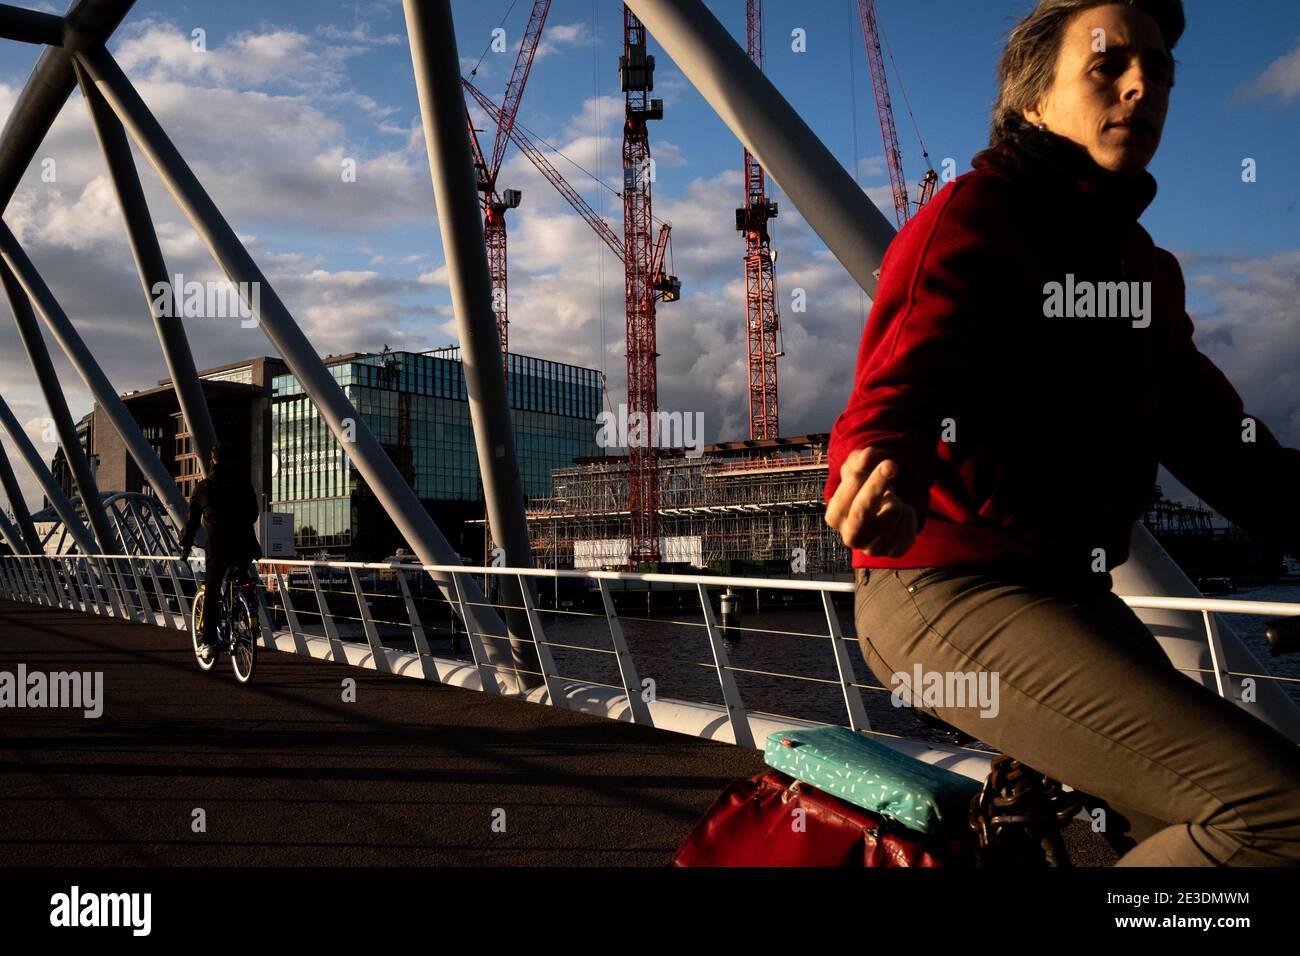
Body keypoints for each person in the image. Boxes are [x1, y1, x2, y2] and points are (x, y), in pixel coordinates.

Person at [825, 0, 1300, 865]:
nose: (1140, 86)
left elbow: (1224, 447)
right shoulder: (978, 216)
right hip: (944, 588)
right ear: (1034, 100)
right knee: (1275, 814)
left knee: (1178, 826)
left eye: (1158, 70)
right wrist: (876, 463)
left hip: (1067, 594)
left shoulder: (1143, 270)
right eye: (1108, 63)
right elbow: (901, 376)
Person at [179, 442, 261, 659]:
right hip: (244, 545)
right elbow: (253, 514)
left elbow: (191, 523)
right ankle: (251, 617)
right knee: (244, 579)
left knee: (213, 590)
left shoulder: (204, 488)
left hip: (218, 547)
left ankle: (208, 642)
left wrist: (185, 544)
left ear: (212, 460)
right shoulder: (244, 485)